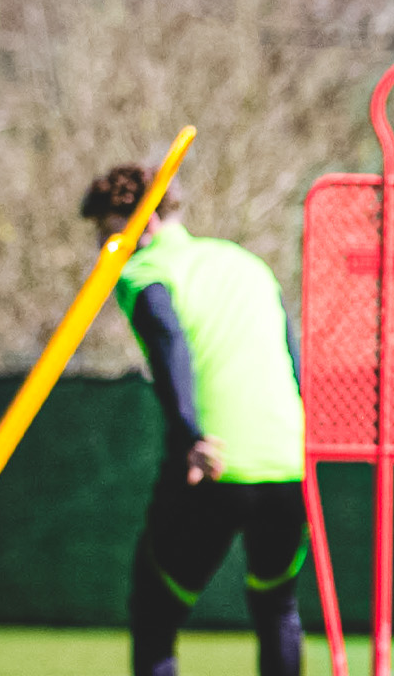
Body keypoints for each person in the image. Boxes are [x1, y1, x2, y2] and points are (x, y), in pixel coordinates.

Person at [81, 165, 308, 676]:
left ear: (143, 225)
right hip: (290, 464)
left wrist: (189, 436)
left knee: (155, 614)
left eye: (107, 230)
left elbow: (169, 348)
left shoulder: (141, 274)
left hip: (213, 461)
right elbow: (295, 361)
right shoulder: (248, 264)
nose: (101, 245)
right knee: (277, 606)